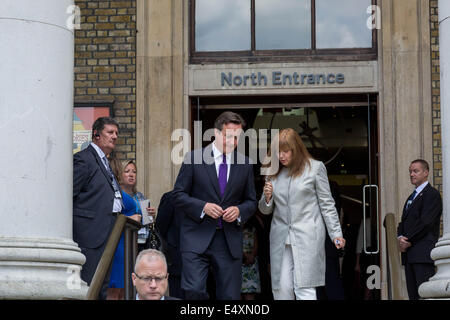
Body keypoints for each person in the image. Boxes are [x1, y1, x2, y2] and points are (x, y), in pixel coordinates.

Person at [173, 111, 257, 300]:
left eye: (237, 137)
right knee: (194, 292)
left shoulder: (245, 164)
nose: (233, 141)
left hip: (228, 241)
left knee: (230, 297)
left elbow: (251, 201)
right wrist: (203, 207)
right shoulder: (193, 158)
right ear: (217, 134)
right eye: (229, 136)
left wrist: (239, 210)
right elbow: (177, 196)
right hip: (196, 237)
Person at [258, 128, 345, 300]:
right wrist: (267, 198)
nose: (281, 156)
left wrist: (336, 234)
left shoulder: (315, 168)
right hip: (280, 238)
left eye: (285, 151)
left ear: (296, 149)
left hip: (308, 236)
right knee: (281, 289)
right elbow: (265, 209)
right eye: (278, 152)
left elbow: (327, 205)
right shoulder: (273, 172)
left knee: (304, 288)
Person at [107, 160, 156, 299]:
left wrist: (151, 216)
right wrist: (130, 219)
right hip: (120, 243)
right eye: (127, 171)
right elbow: (109, 217)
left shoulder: (140, 197)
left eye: (134, 172)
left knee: (129, 287)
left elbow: (147, 223)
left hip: (138, 245)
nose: (131, 175)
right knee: (115, 287)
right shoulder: (114, 194)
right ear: (119, 174)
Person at [397, 159, 442, 300]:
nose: (411, 174)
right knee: (413, 295)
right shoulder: (412, 196)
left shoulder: (431, 194)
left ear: (426, 172)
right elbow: (403, 222)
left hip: (422, 253)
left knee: (424, 295)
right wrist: (400, 237)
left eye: (415, 171)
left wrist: (408, 240)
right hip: (410, 255)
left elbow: (426, 222)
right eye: (410, 171)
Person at [156, 190, 184, 299]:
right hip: (177, 259)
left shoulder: (205, 199)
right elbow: (160, 227)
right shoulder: (171, 197)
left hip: (203, 263)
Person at [241, 215, 261, 300]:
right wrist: (244, 255)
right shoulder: (235, 230)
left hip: (251, 263)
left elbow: (256, 244)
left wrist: (252, 255)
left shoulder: (252, 229)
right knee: (236, 291)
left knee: (250, 290)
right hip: (239, 261)